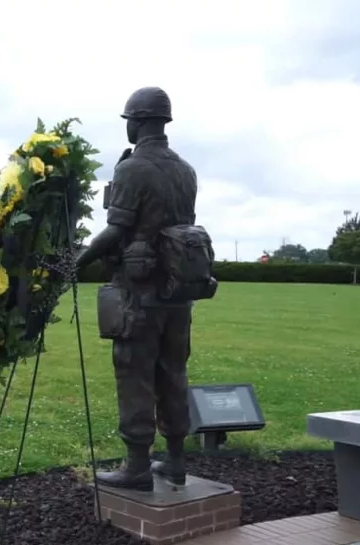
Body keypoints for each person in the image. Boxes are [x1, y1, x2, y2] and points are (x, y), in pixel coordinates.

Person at [75, 86, 216, 492]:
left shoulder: (132, 168)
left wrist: (78, 260)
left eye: (129, 121)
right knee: (174, 371)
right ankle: (175, 461)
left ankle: (137, 465)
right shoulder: (185, 169)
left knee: (135, 371)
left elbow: (118, 228)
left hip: (141, 291)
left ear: (136, 122)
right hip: (179, 291)